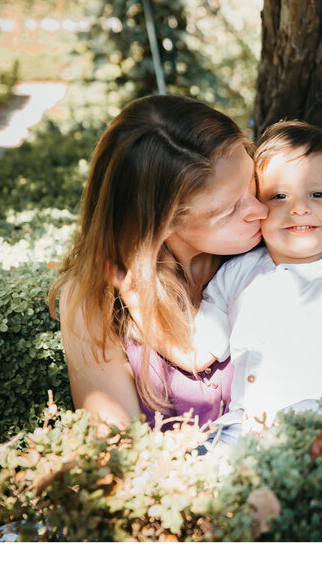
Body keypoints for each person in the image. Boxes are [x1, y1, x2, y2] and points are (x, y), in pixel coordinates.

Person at [48, 94, 268, 432]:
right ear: (162, 225)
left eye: (251, 181)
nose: (260, 210)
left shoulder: (274, 240)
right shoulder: (96, 300)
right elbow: (117, 444)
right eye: (228, 211)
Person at [189, 120, 322, 442]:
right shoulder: (236, 275)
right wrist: (137, 302)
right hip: (248, 422)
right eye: (280, 196)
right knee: (208, 456)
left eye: (317, 194)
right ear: (258, 207)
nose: (299, 208)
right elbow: (201, 348)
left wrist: (279, 416)